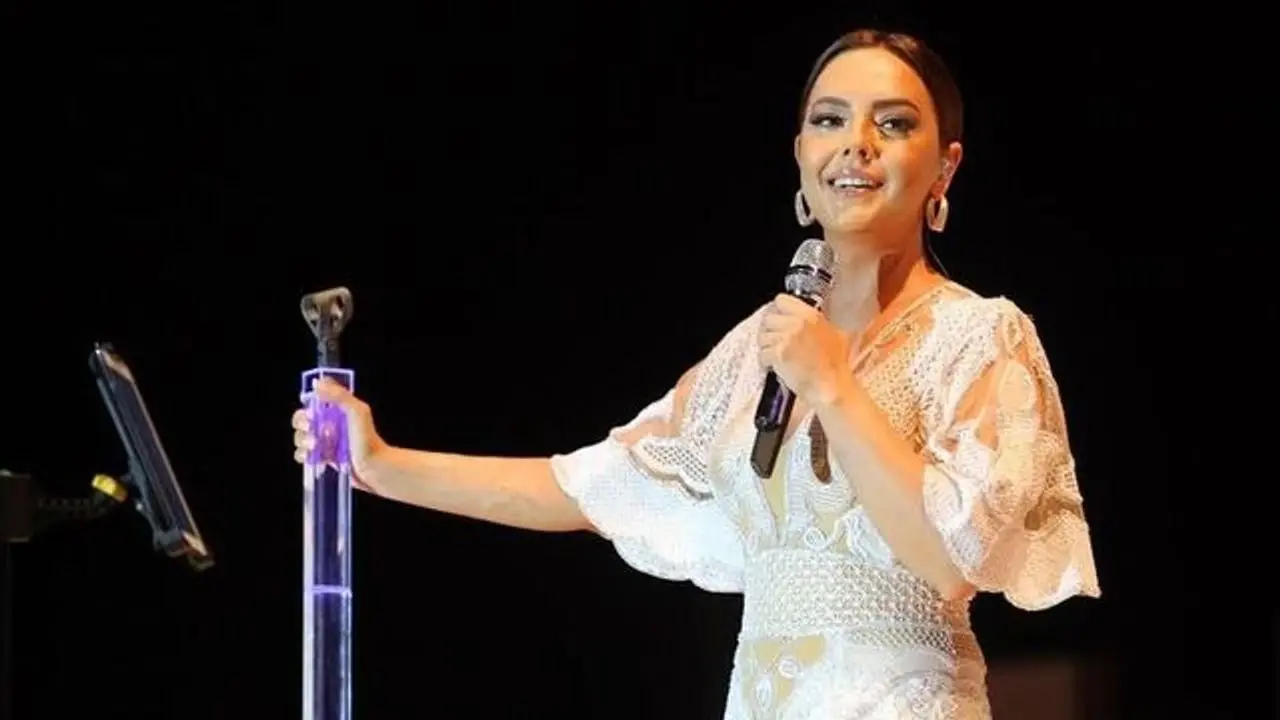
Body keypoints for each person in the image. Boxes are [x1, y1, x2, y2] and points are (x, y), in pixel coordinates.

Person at [291, 28, 1100, 719]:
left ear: (945, 168)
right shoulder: (757, 349)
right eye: (829, 119)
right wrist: (383, 465)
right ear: (800, 154)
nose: (856, 142)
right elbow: (589, 487)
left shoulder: (978, 335)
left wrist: (834, 387)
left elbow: (952, 563)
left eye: (893, 123)